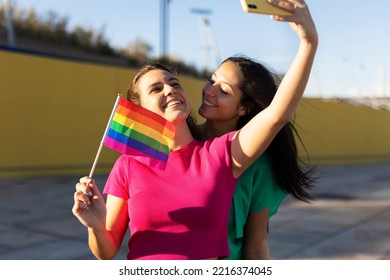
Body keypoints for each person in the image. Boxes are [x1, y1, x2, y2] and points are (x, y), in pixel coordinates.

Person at [72, 0, 318, 260]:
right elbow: (106, 252)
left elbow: (277, 113)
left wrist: (308, 44)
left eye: (174, 83)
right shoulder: (127, 166)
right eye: (156, 89)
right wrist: (96, 227)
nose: (169, 90)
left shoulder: (219, 154)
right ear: (140, 110)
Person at [197, 55, 316, 259]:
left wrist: (308, 43)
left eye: (224, 90)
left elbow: (256, 246)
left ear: (245, 108)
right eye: (211, 80)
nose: (209, 90)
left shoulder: (258, 168)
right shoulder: (179, 142)